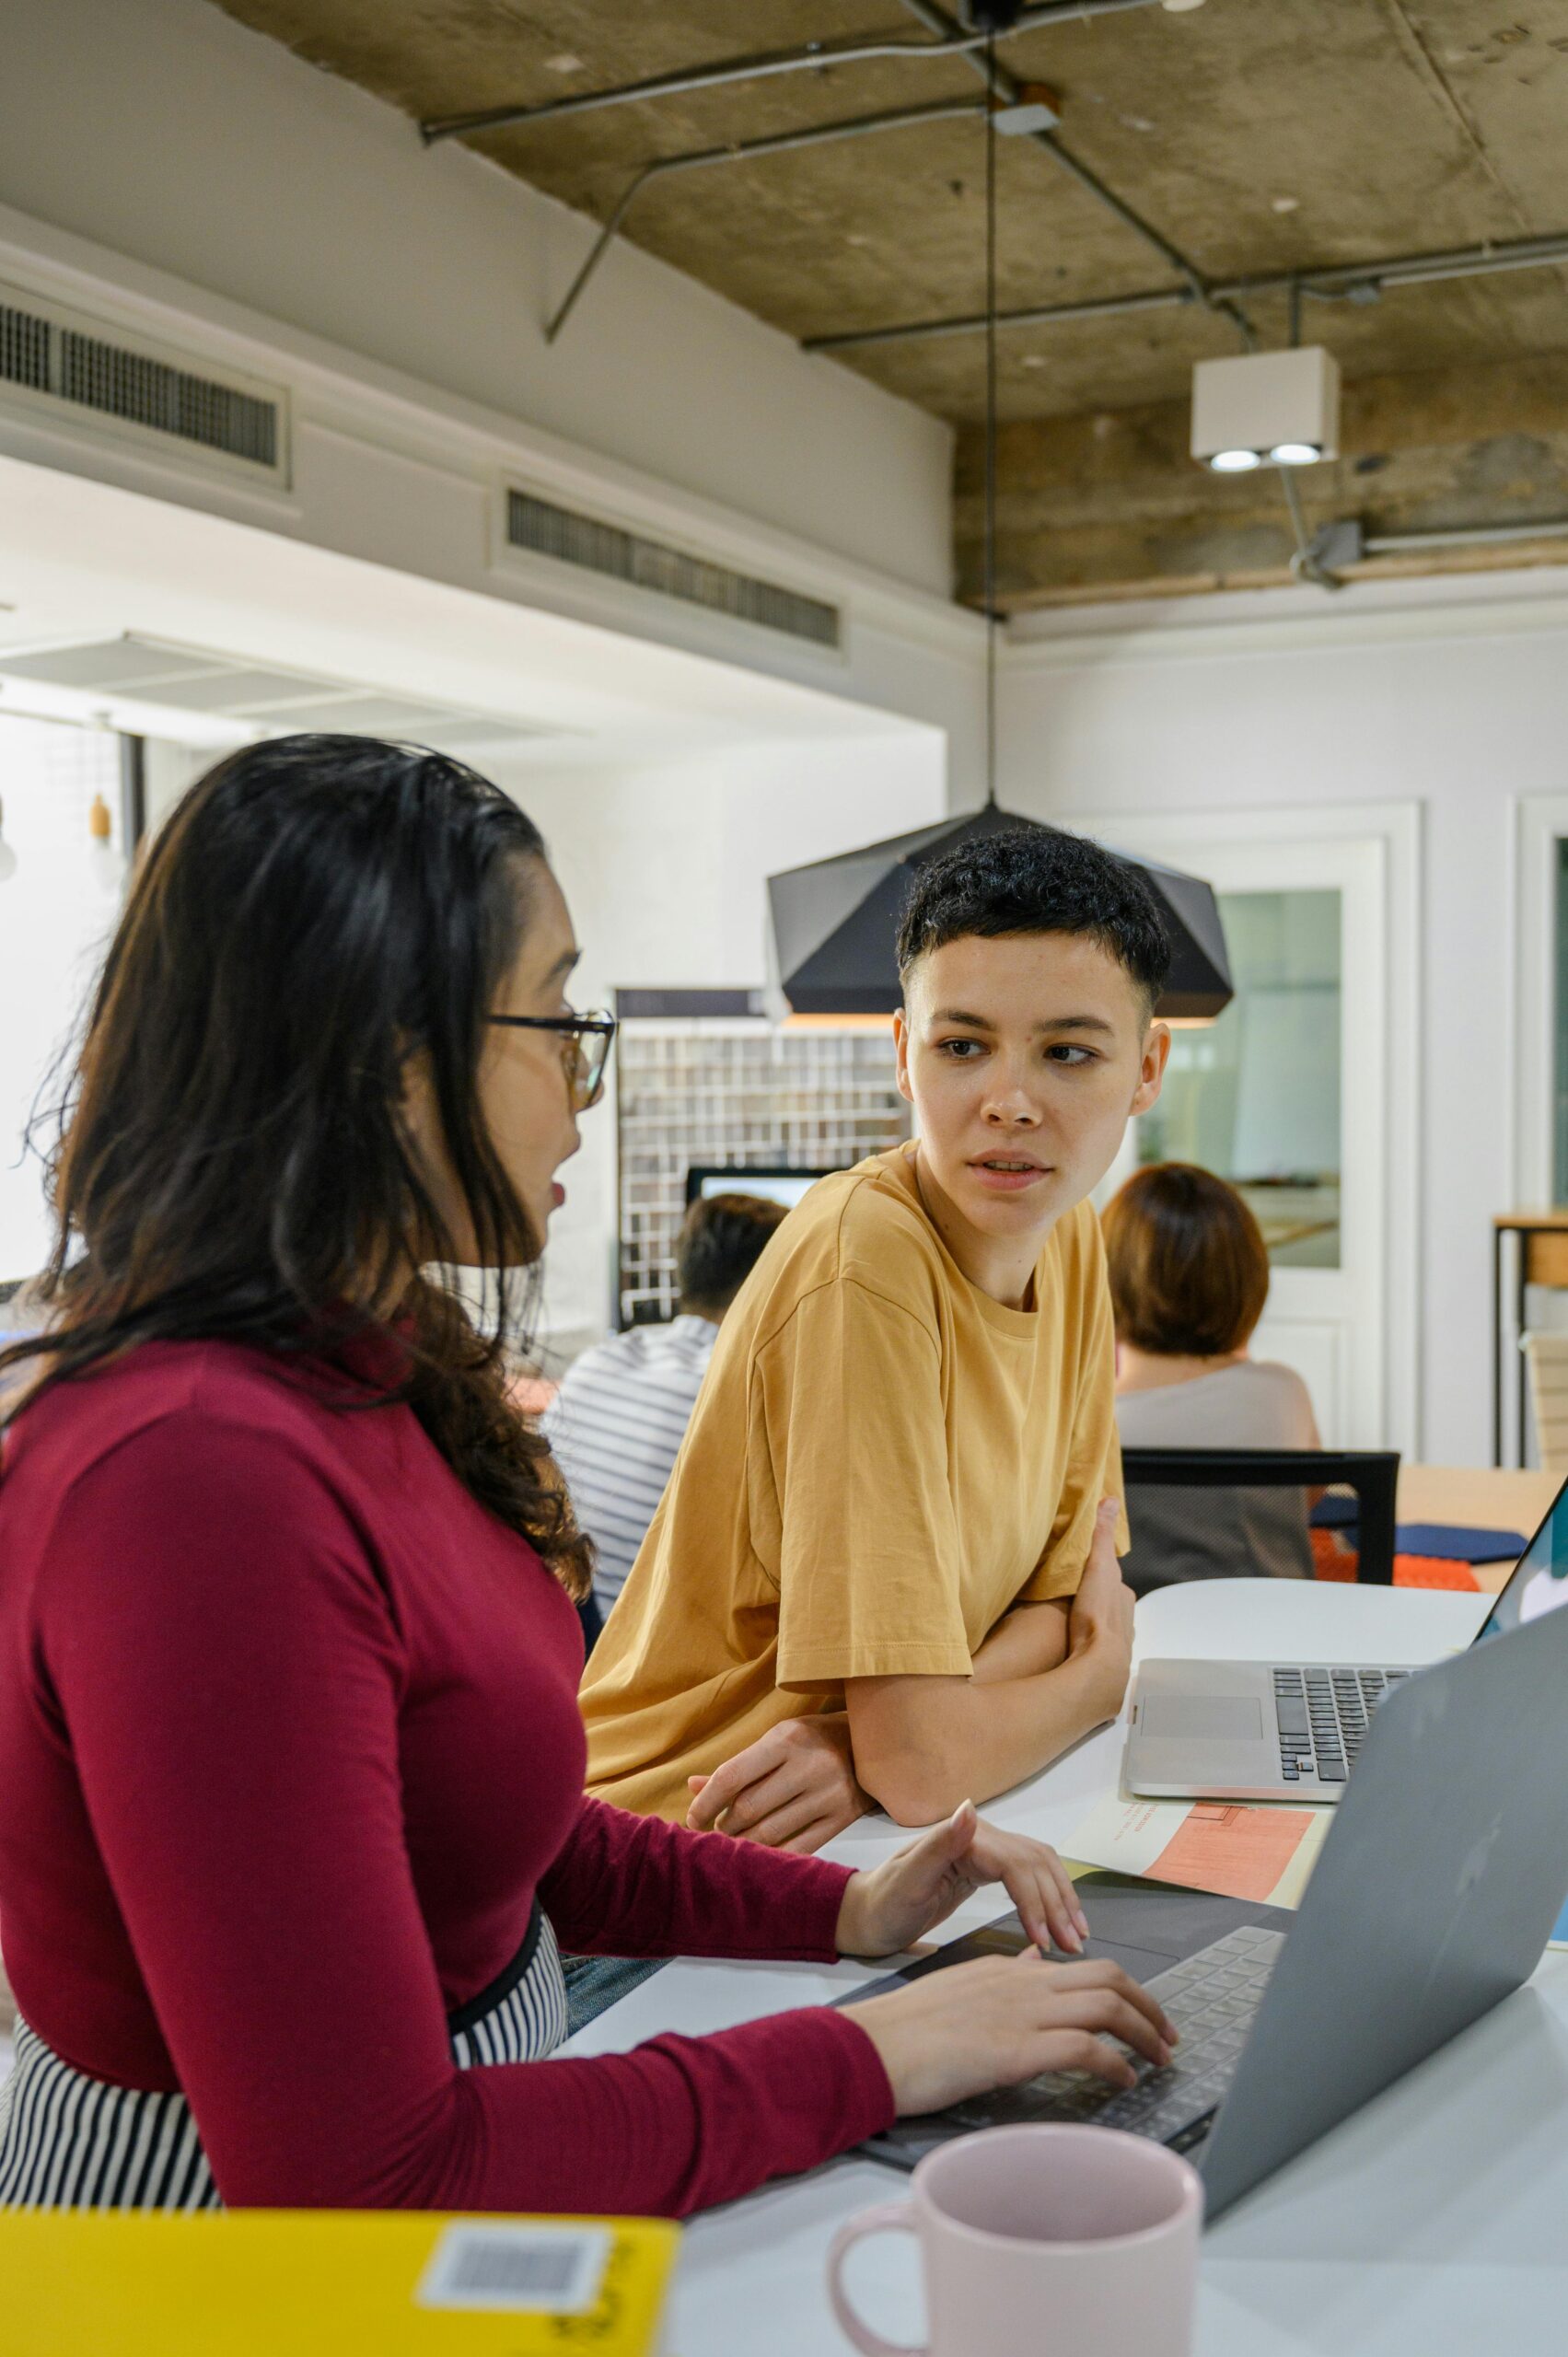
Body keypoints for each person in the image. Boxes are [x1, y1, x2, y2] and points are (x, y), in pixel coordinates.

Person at [0, 741, 1174, 2217]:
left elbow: (503, 1826)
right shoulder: (195, 1481)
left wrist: (852, 1909)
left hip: (500, 2112)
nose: (582, 1080)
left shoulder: (369, 1363)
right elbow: (357, 2174)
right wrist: (877, 2052)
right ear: (384, 1053)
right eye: (555, 1018)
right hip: (221, 2252)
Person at [580, 823, 1172, 1852]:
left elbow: (1058, 1601)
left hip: (850, 1830)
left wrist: (874, 1738)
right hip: (676, 1843)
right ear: (904, 1052)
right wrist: (1090, 1684)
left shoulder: (1067, 1232)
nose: (1009, 1103)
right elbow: (933, 1759)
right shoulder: (866, 1262)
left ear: (1145, 1068)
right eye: (961, 1046)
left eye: (1068, 1052)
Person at [542, 1191, 787, 1644]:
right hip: (636, 1657)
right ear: (774, 1286)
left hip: (564, 1633)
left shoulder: (602, 1358)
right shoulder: (745, 1390)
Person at [1105, 1161, 1321, 1593]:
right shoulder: (1283, 1394)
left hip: (1135, 1632)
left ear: (1106, 1281)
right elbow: (1307, 1498)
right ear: (1249, 1281)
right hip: (1267, 1624)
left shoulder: (1091, 1424)